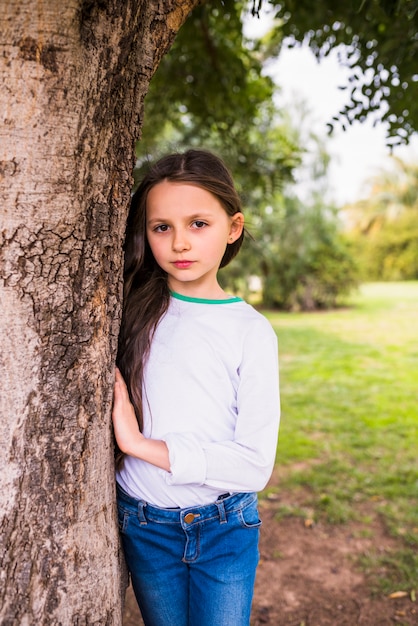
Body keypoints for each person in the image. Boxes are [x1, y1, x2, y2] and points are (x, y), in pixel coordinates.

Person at [112, 149, 280, 626]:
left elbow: (253, 464)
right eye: (162, 227)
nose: (179, 243)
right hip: (144, 524)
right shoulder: (130, 313)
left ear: (233, 227)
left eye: (198, 224)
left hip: (224, 527)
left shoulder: (250, 332)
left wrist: (140, 445)